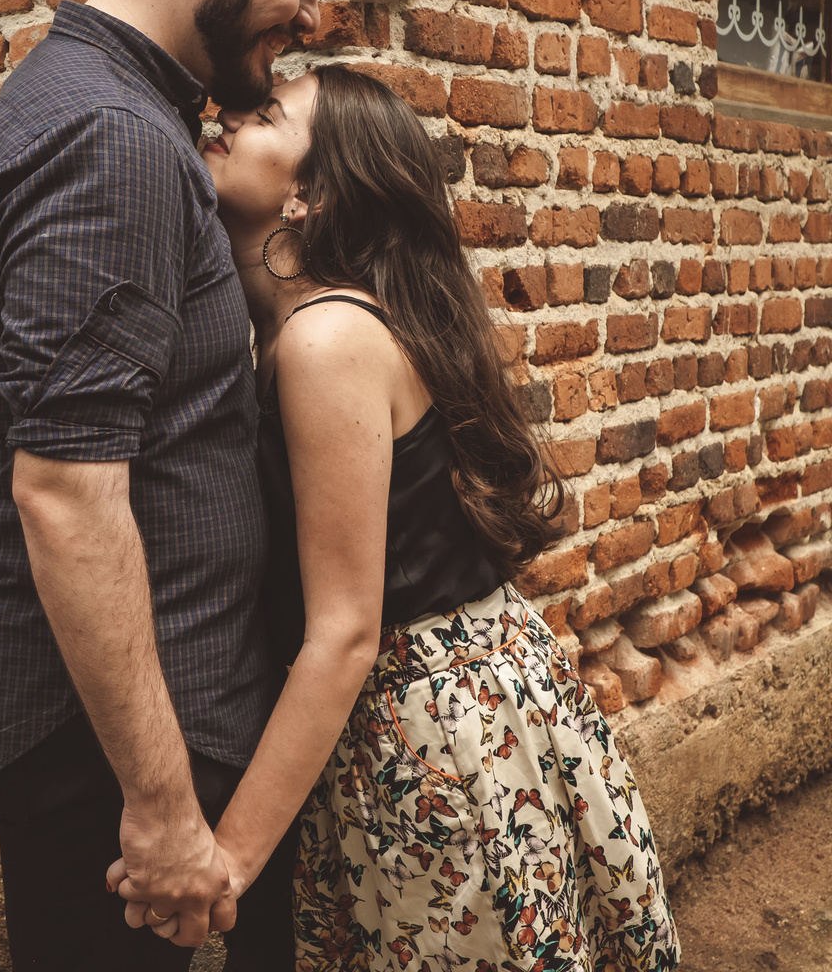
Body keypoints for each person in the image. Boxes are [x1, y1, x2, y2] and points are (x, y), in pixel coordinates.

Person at [0, 0, 372, 972]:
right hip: (102, 756)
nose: (312, 16)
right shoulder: (112, 135)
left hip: (127, 729)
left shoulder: (133, 113)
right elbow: (66, 494)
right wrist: (164, 809)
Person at [115, 65, 681, 971]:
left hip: (433, 731)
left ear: (313, 194)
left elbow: (345, 631)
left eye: (262, 115)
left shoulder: (326, 339)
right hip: (453, 704)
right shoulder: (311, 328)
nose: (222, 117)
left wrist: (228, 864)